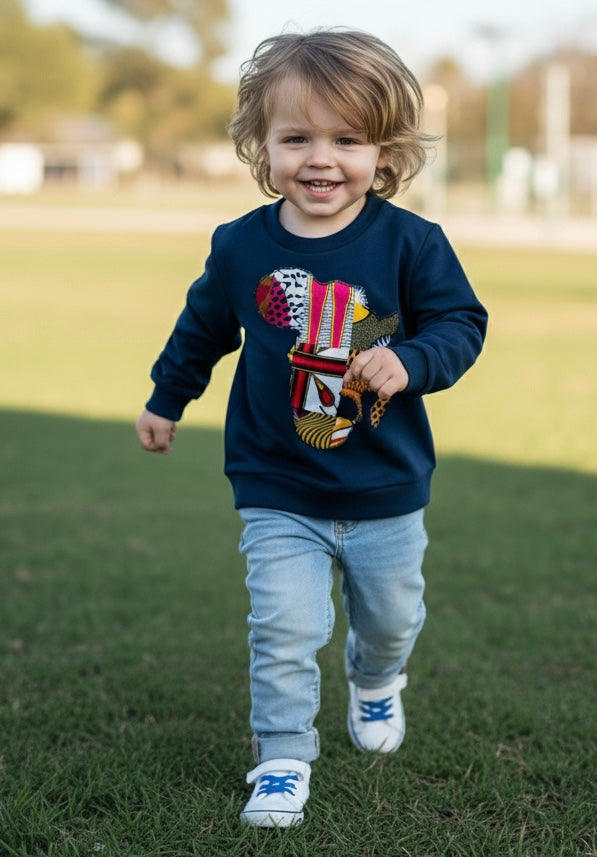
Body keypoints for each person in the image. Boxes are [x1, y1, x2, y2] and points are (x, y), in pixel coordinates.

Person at [135, 29, 488, 828]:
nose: (320, 159)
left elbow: (461, 321)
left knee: (392, 618)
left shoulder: (411, 242)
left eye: (347, 139)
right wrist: (166, 399)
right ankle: (284, 756)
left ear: (384, 150)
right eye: (296, 137)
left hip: (385, 484)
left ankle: (374, 679)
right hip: (277, 482)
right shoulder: (239, 247)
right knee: (286, 627)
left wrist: (414, 361)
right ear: (260, 143)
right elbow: (201, 332)